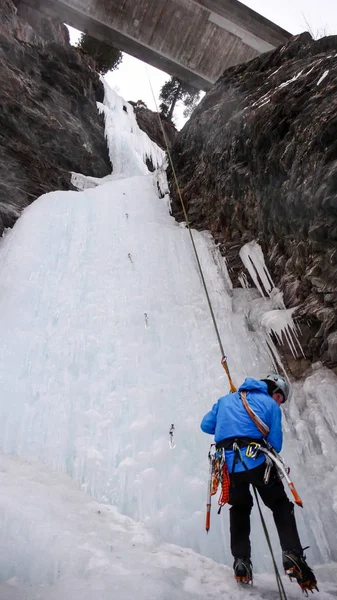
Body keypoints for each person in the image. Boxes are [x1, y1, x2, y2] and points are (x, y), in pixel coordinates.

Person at [200, 373, 317, 592]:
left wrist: (229, 416)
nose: (278, 402)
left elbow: (206, 425)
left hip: (231, 466)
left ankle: (241, 562)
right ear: (273, 389)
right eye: (280, 397)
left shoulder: (226, 400)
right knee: (280, 504)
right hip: (257, 463)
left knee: (240, 508)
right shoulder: (270, 406)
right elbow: (276, 444)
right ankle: (292, 554)